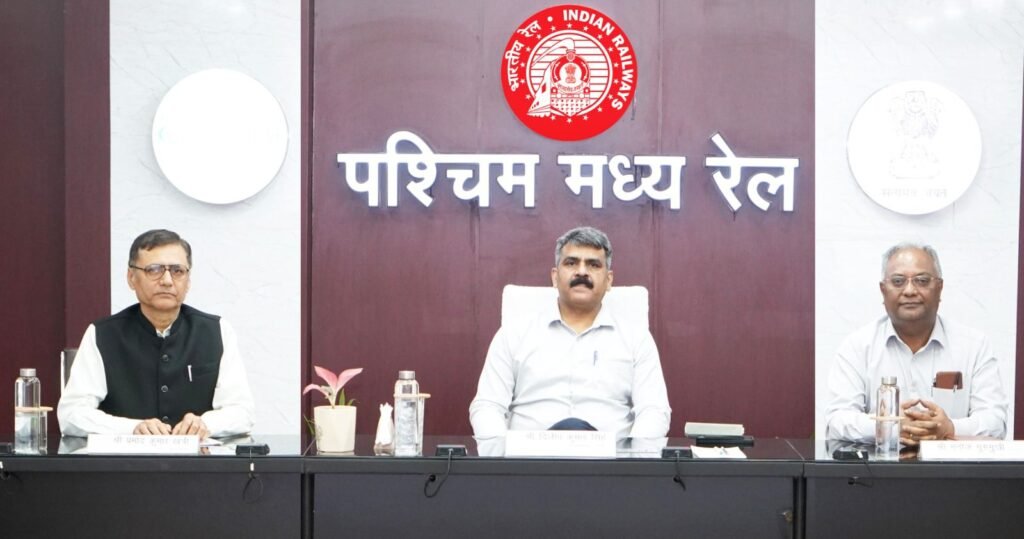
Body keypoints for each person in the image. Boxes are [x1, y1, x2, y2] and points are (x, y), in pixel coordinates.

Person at [469, 226, 671, 455]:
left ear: (609, 280)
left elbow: (654, 410)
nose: (581, 272)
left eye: (593, 265)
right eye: (571, 263)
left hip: (610, 467)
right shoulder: (514, 334)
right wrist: (500, 466)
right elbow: (488, 405)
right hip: (528, 466)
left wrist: (639, 467)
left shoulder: (636, 338)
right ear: (555, 277)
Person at [58, 229, 254, 439]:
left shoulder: (217, 331)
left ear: (188, 280)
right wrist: (132, 428)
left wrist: (205, 424)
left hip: (197, 458)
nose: (167, 280)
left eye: (178, 271)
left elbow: (242, 412)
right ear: (131, 278)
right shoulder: (102, 334)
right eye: (154, 270)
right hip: (126, 459)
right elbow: (71, 415)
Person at [825, 243, 1006, 445]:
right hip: (880, 465)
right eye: (898, 281)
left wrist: (949, 428)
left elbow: (995, 421)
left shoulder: (974, 346)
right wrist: (889, 425)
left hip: (950, 465)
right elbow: (837, 420)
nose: (910, 290)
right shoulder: (857, 347)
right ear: (883, 291)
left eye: (922, 280)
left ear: (940, 288)